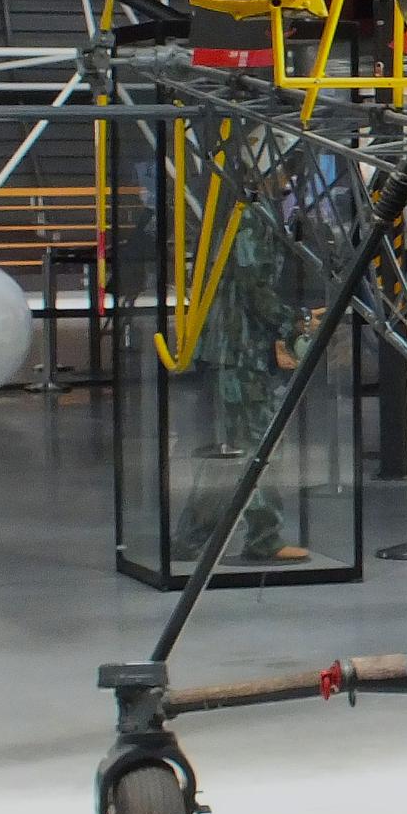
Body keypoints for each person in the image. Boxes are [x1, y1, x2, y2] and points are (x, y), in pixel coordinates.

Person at [175, 198, 311, 565]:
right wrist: (293, 321)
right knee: (258, 448)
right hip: (239, 354)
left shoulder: (248, 215)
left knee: (236, 452)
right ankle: (263, 539)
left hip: (236, 350)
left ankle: (190, 538)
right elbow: (255, 288)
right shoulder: (254, 218)